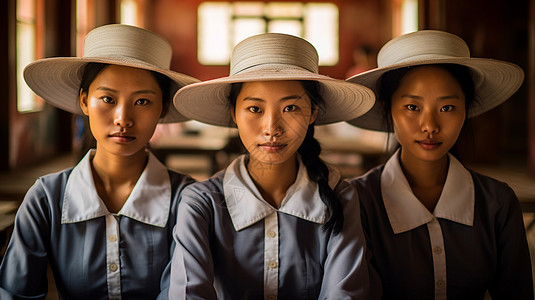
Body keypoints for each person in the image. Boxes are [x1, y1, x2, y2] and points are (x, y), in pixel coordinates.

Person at [168, 33, 377, 299]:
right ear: (234, 113)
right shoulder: (200, 203)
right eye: (255, 109)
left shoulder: (341, 198)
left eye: (290, 108)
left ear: (312, 113)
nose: (271, 129)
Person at [0, 24, 199, 299]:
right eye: (107, 98)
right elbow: (15, 293)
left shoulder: (188, 199)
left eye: (142, 102)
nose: (123, 118)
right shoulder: (46, 198)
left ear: (162, 109)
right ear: (84, 101)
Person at [346, 30, 533, 299]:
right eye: (412, 107)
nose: (430, 126)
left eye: (447, 108)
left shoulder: (498, 202)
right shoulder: (357, 201)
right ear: (389, 109)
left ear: (466, 110)